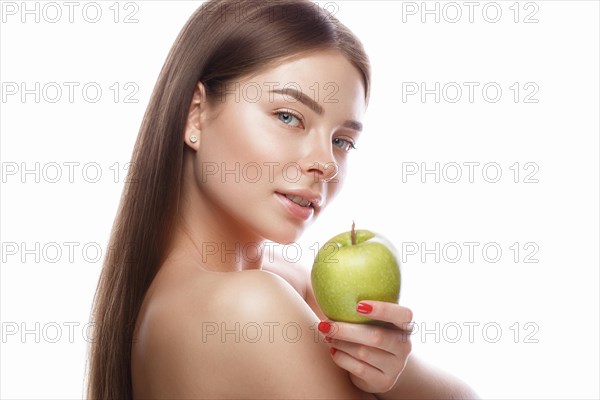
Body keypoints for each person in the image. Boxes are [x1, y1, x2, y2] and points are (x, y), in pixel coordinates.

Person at [87, 0, 480, 398]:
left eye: (342, 141)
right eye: (289, 117)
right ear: (196, 114)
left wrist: (395, 368)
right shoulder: (249, 306)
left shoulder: (278, 279)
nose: (326, 164)